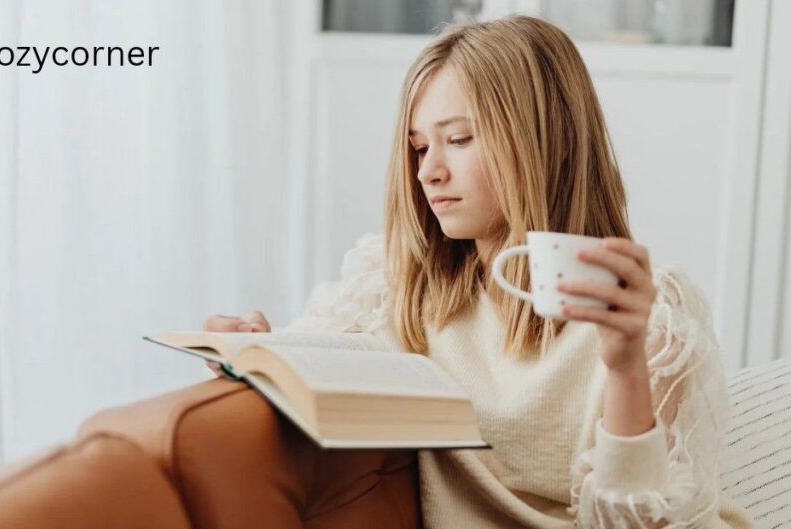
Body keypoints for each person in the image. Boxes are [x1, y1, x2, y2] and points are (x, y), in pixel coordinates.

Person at [206, 15, 755, 529]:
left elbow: (642, 523)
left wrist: (625, 364)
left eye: (459, 139)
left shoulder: (650, 312)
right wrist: (257, 351)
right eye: (419, 147)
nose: (428, 171)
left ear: (544, 140)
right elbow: (317, 368)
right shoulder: (397, 283)